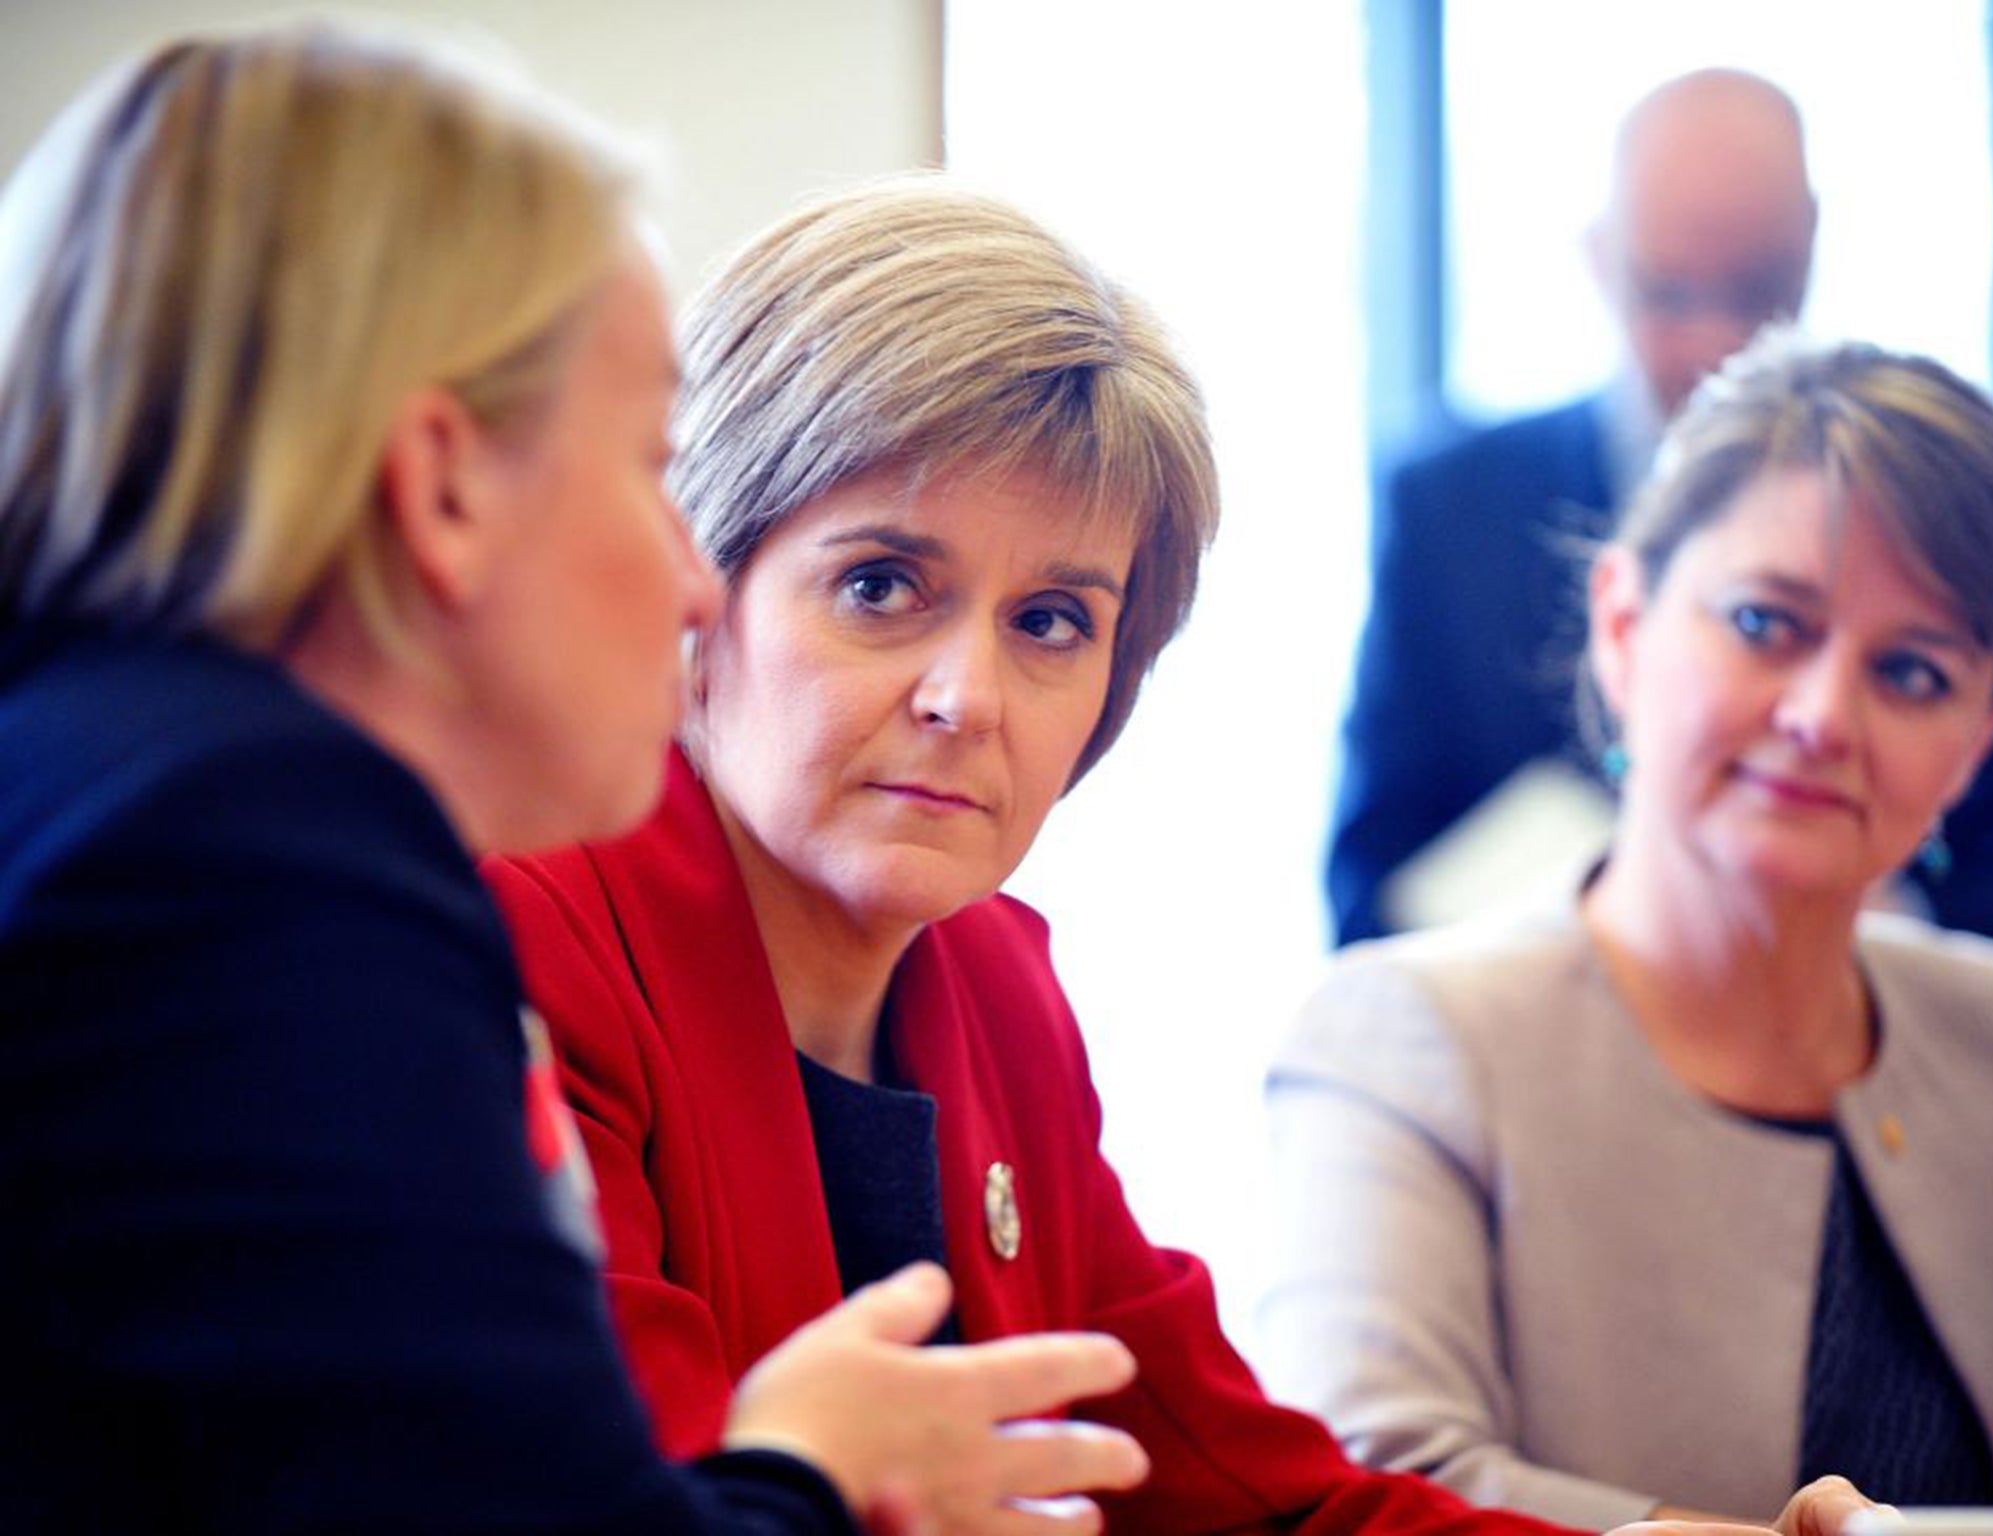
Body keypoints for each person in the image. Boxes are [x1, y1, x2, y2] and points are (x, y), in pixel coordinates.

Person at [483, 178, 1876, 1536]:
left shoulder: (996, 988)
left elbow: (1258, 1500)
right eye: (880, 586)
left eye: (1051, 622)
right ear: (698, 585)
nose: (965, 693)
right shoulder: (520, 950)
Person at [0, 24, 1153, 1533]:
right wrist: (810, 1469)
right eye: (645, 457)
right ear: (443, 486)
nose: (691, 578)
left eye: (1053, 620)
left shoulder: (112, 778)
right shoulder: (253, 848)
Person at [1264, 330, 1993, 1525]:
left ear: (1982, 737)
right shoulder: (1405, 1040)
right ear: (1621, 624)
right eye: (1762, 623)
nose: (1820, 716)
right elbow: (1356, 1491)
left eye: (1910, 674)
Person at [1325, 68, 1816, 942]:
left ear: (1810, 251)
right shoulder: (1451, 507)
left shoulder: (1940, 519)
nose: (1716, 345)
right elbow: (1369, 877)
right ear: (1600, 260)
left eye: (1753, 292)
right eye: (1668, 294)